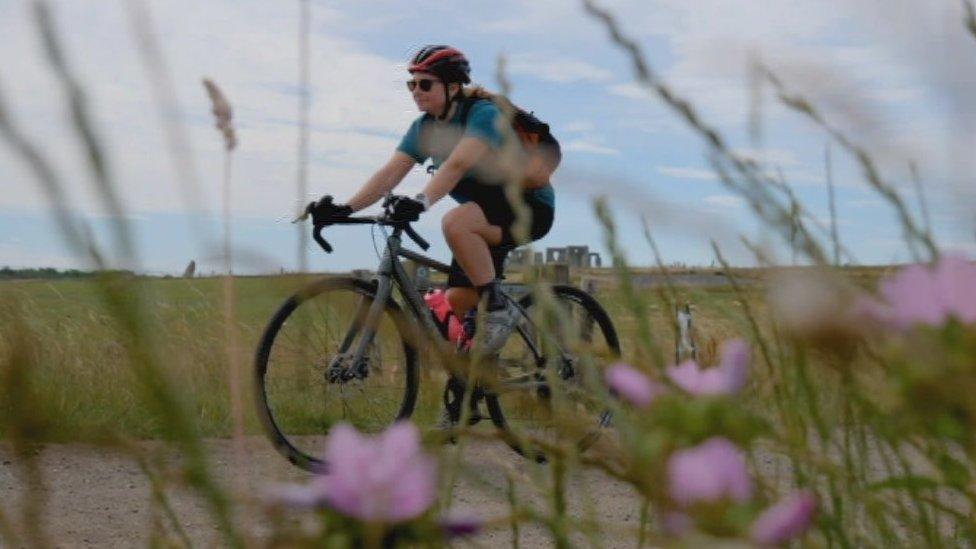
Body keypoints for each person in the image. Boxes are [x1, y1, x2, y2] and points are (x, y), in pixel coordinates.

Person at [313, 44, 556, 353]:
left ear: (453, 86)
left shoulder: (482, 113)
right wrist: (343, 209)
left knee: (455, 222)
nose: (416, 90)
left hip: (528, 207)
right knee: (455, 302)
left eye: (425, 83)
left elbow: (458, 164)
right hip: (482, 216)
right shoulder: (423, 128)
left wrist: (421, 201)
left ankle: (498, 308)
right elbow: (389, 174)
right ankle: (476, 379)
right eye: (411, 84)